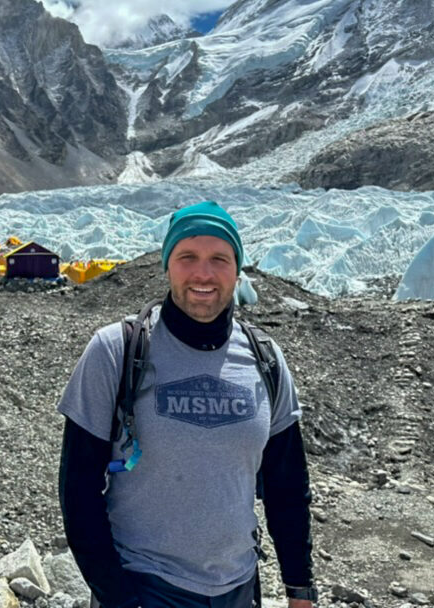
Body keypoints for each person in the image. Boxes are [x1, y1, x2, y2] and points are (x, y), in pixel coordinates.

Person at [58, 201, 315, 608]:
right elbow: (78, 489)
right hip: (145, 585)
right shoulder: (115, 351)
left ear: (237, 269)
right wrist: (118, 597)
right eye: (187, 257)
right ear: (167, 265)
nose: (203, 274)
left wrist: (299, 587)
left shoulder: (266, 359)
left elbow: (287, 485)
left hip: (239, 587)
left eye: (219, 259)